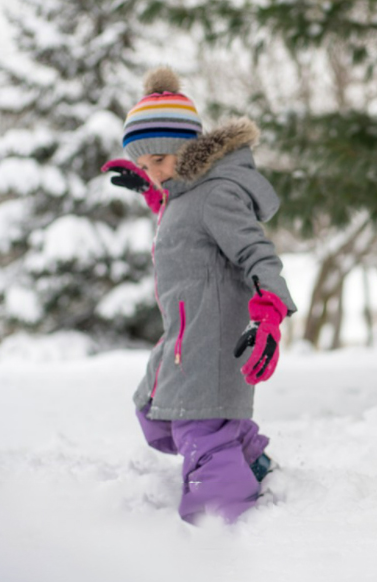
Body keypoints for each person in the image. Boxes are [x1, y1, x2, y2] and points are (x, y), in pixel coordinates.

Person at [103, 66, 297, 524]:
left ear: (187, 149)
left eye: (158, 163)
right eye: (145, 167)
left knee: (199, 430)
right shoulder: (183, 193)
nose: (153, 174)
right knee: (153, 413)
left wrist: (269, 316)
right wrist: (153, 196)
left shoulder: (217, 194)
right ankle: (248, 457)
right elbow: (191, 233)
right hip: (183, 337)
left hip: (211, 341)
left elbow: (257, 254)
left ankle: (220, 528)